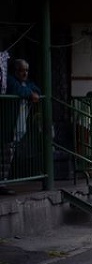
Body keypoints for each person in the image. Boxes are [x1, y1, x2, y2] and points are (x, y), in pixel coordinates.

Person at [1, 59, 41, 195]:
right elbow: (17, 89)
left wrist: (29, 92)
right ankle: (2, 183)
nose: (25, 73)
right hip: (7, 125)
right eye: (22, 70)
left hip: (18, 127)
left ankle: (3, 182)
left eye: (26, 70)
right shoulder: (10, 80)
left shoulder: (26, 83)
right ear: (15, 71)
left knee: (8, 156)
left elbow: (37, 89)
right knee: (4, 155)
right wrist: (29, 94)